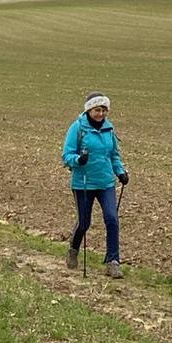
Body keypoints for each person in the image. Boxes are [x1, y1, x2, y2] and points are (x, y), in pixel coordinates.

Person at [61, 91, 129, 279]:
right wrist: (78, 160)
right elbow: (66, 156)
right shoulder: (77, 128)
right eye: (97, 110)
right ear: (89, 110)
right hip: (83, 183)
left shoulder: (109, 129)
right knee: (84, 222)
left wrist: (120, 171)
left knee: (112, 220)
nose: (100, 114)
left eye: (104, 110)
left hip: (105, 182)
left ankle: (113, 261)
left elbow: (113, 155)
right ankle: (73, 250)